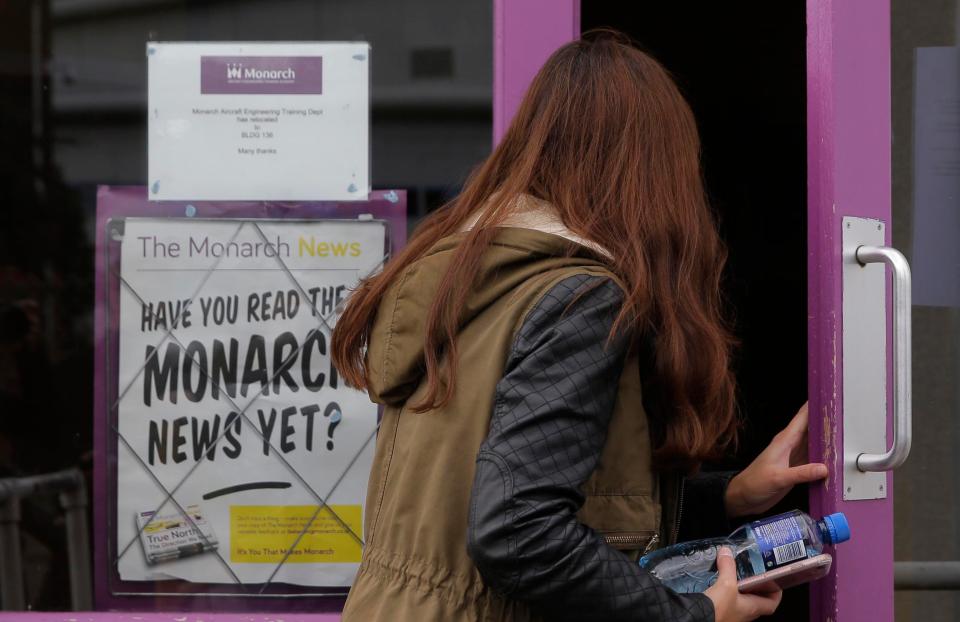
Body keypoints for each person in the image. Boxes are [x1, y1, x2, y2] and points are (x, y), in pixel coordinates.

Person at [332, 31, 828, 622]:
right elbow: (518, 531)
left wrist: (728, 496)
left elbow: (510, 492)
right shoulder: (578, 297)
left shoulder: (465, 281)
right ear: (652, 173)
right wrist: (693, 613)